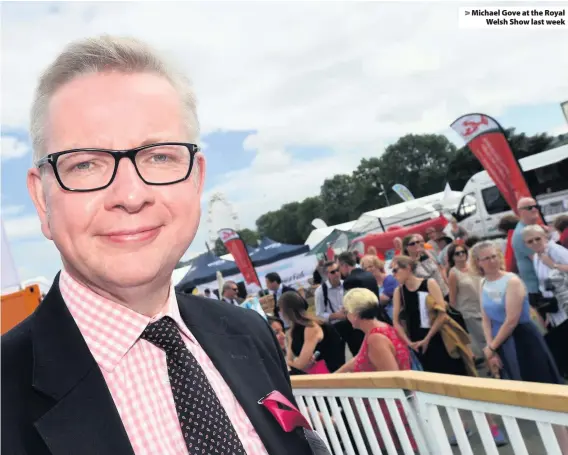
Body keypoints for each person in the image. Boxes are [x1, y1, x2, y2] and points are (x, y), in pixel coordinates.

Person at [2, 35, 317, 455]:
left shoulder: (249, 333)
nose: (130, 196)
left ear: (197, 179)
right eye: (86, 164)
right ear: (43, 200)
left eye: (159, 157)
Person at [470, 241, 563, 384]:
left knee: (536, 380)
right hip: (500, 339)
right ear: (478, 262)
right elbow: (486, 318)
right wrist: (491, 347)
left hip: (522, 338)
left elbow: (511, 320)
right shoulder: (483, 283)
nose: (492, 261)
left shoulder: (512, 281)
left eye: (494, 256)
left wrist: (492, 346)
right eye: (487, 258)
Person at [337, 288, 417, 453]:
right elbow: (357, 360)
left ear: (355, 314)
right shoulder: (377, 330)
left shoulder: (375, 338)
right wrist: (334, 377)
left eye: (347, 311)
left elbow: (392, 380)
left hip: (391, 414)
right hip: (389, 410)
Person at [522, 224, 568, 377]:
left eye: (537, 239)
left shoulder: (554, 250)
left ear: (545, 237)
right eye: (530, 241)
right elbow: (543, 283)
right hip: (553, 306)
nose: (535, 243)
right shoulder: (536, 256)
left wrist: (553, 264)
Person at [279, 291, 345, 374]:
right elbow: (291, 360)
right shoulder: (292, 330)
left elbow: (300, 365)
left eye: (280, 309)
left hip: (330, 372)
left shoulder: (311, 328)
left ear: (286, 311)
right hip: (316, 373)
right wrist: (293, 363)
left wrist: (292, 363)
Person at [447, 243, 485, 359]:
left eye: (463, 252)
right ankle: (494, 371)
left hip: (484, 306)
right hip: (469, 311)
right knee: (483, 341)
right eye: (457, 253)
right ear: (452, 257)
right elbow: (452, 297)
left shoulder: (474, 266)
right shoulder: (453, 273)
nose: (461, 255)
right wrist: (455, 317)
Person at [337, 251, 378, 354]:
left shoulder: (350, 281)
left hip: (361, 325)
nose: (339, 271)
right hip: (377, 316)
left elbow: (352, 306)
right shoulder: (368, 274)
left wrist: (344, 310)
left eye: (339, 267)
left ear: (344, 265)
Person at [511, 197, 542, 311]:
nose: (534, 209)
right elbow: (540, 260)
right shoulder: (522, 233)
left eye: (536, 206)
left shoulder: (531, 228)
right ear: (520, 212)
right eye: (530, 208)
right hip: (537, 289)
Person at [360, 254, 398, 320]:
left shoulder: (390, 279)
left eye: (370, 266)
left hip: (394, 318)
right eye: (365, 268)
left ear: (377, 265)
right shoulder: (369, 284)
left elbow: (384, 300)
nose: (368, 270)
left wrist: (366, 303)